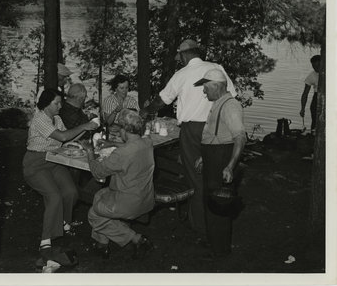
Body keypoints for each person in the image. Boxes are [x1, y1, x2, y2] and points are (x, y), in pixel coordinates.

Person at [140, 39, 236, 235]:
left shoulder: (182, 74)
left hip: (193, 131)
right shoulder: (216, 68)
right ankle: (216, 217)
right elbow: (232, 95)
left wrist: (146, 110)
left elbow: (162, 99)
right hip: (217, 127)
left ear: (184, 55)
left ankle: (200, 226)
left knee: (196, 176)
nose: (179, 60)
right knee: (215, 174)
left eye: (179, 56)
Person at [22, 89, 98, 257]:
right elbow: (62, 137)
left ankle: (64, 222)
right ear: (46, 104)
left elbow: (68, 140)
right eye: (56, 103)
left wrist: (88, 129)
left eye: (60, 102)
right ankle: (45, 240)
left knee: (71, 192)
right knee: (54, 196)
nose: (60, 105)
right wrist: (84, 125)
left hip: (54, 160)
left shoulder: (56, 118)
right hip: (35, 163)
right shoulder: (40, 119)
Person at [81, 109, 154, 259]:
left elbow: (97, 173)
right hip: (145, 197)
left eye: (119, 128)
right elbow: (133, 147)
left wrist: (89, 151)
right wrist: (111, 143)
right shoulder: (148, 143)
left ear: (125, 130)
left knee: (94, 215)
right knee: (99, 195)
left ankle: (136, 239)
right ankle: (102, 243)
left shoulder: (121, 154)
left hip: (128, 202)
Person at [194, 68, 246, 259]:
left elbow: (240, 137)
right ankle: (213, 240)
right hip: (213, 156)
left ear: (217, 86)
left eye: (206, 87)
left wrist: (230, 166)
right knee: (210, 200)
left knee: (220, 203)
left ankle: (220, 250)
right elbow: (216, 134)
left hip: (221, 158)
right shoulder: (218, 103)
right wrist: (204, 157)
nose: (204, 91)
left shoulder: (230, 106)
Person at [300, 55, 321, 133]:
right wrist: (302, 109)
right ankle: (313, 135)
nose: (315, 68)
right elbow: (305, 94)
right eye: (313, 66)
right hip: (316, 97)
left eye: (318, 65)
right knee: (315, 121)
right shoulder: (311, 76)